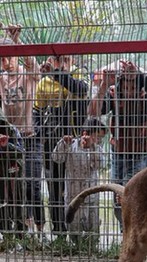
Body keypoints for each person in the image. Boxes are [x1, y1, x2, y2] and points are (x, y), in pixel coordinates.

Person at [87, 59, 147, 230]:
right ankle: (127, 233)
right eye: (126, 87)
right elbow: (93, 112)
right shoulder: (114, 95)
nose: (129, 91)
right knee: (117, 199)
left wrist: (138, 75)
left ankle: (134, 235)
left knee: (133, 196)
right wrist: (103, 85)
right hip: (119, 153)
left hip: (141, 154)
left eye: (133, 87)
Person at [33, 54, 89, 239]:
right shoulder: (44, 83)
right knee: (54, 187)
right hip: (52, 141)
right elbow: (37, 110)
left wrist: (57, 74)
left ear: (72, 60)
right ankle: (58, 233)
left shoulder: (78, 75)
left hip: (73, 141)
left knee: (76, 186)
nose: (63, 63)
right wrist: (40, 132)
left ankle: (78, 234)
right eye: (58, 60)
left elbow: (80, 90)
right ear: (52, 60)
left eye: (66, 59)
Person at [0, 25, 40, 236]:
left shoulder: (27, 75)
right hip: (8, 141)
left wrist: (16, 42)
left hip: (29, 137)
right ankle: (13, 231)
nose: (4, 63)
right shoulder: (1, 78)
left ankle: (32, 228)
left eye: (6, 57)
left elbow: (34, 65)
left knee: (31, 185)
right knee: (9, 187)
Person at [51, 117, 108, 248]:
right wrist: (63, 143)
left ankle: (91, 247)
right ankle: (76, 246)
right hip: (72, 195)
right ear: (85, 134)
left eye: (101, 139)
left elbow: (100, 165)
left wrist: (93, 147)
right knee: (73, 225)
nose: (99, 141)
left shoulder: (97, 149)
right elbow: (56, 158)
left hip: (91, 197)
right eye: (97, 137)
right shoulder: (71, 145)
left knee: (92, 226)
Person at [0, 106, 25, 237]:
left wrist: (6, 145)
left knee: (17, 200)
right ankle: (6, 236)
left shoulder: (11, 129)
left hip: (12, 171)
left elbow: (21, 152)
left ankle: (20, 236)